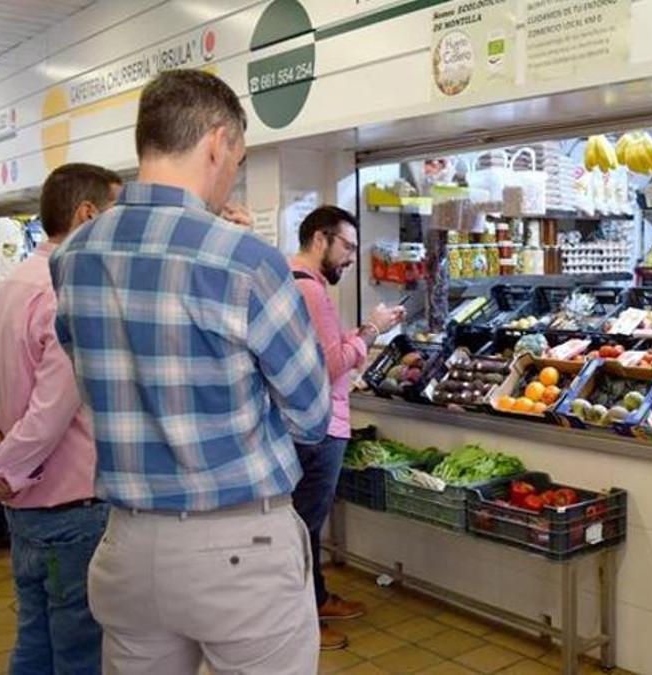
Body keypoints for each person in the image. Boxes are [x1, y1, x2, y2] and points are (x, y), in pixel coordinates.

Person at [49, 70, 331, 674]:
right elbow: (311, 415)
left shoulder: (73, 257)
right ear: (216, 141)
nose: (234, 173)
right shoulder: (247, 260)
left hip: (126, 545)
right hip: (239, 549)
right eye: (238, 158)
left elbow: (88, 372)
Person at [0, 163, 121, 674]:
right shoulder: (68, 295)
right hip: (70, 511)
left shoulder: (6, 290)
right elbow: (48, 417)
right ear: (87, 214)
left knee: (34, 636)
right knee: (77, 651)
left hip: (25, 513)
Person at [288, 205, 406, 650]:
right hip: (320, 427)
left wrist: (353, 339)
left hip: (299, 423)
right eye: (348, 247)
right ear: (321, 239)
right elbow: (331, 362)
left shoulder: (288, 277)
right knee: (303, 527)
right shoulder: (311, 291)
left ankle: (314, 601)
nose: (352, 257)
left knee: (302, 527)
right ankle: (302, 625)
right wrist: (371, 331)